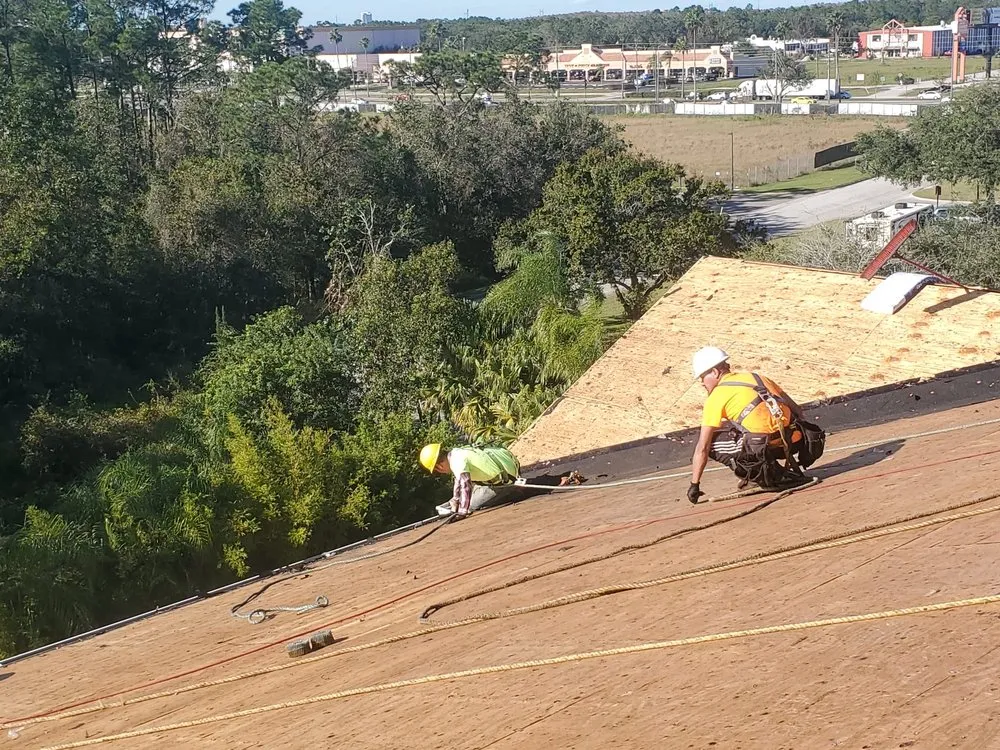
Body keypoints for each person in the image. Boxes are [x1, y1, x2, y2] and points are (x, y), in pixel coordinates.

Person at [687, 346, 825, 504]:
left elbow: (702, 448)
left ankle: (759, 475)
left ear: (715, 372)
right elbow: (797, 411)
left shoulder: (716, 397)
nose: (702, 383)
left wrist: (694, 484)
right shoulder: (757, 377)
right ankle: (776, 470)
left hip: (764, 449)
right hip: (794, 442)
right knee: (744, 430)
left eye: (702, 377)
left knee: (712, 442)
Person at [419, 443, 583, 518]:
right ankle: (446, 508)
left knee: (476, 504)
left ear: (438, 467)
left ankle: (541, 484)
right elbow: (458, 483)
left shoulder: (457, 461)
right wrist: (455, 499)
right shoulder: (456, 454)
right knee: (465, 500)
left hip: (505, 480)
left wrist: (463, 510)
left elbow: (465, 485)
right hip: (505, 470)